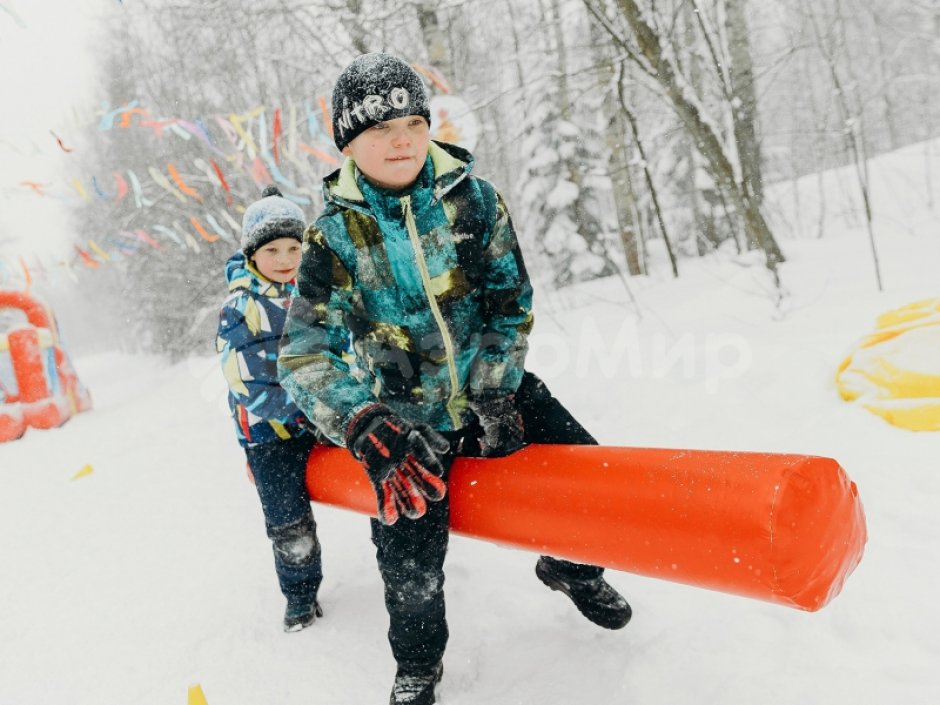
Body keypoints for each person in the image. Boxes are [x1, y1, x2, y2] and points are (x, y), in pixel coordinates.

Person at [278, 53, 630, 705]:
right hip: (404, 418)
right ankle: (418, 661)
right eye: (381, 129)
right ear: (350, 143)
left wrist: (496, 385)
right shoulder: (333, 238)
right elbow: (304, 352)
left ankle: (572, 566)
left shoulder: (472, 200)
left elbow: (510, 297)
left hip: (495, 384)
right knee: (409, 557)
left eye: (414, 120)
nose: (403, 138)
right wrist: (363, 422)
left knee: (590, 477)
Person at [217, 185, 323, 633]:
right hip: (268, 432)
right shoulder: (241, 307)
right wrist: (305, 413)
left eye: (294, 247)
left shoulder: (314, 292)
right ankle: (300, 594)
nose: (285, 258)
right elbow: (246, 380)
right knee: (288, 518)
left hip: (319, 417)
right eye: (273, 249)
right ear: (252, 254)